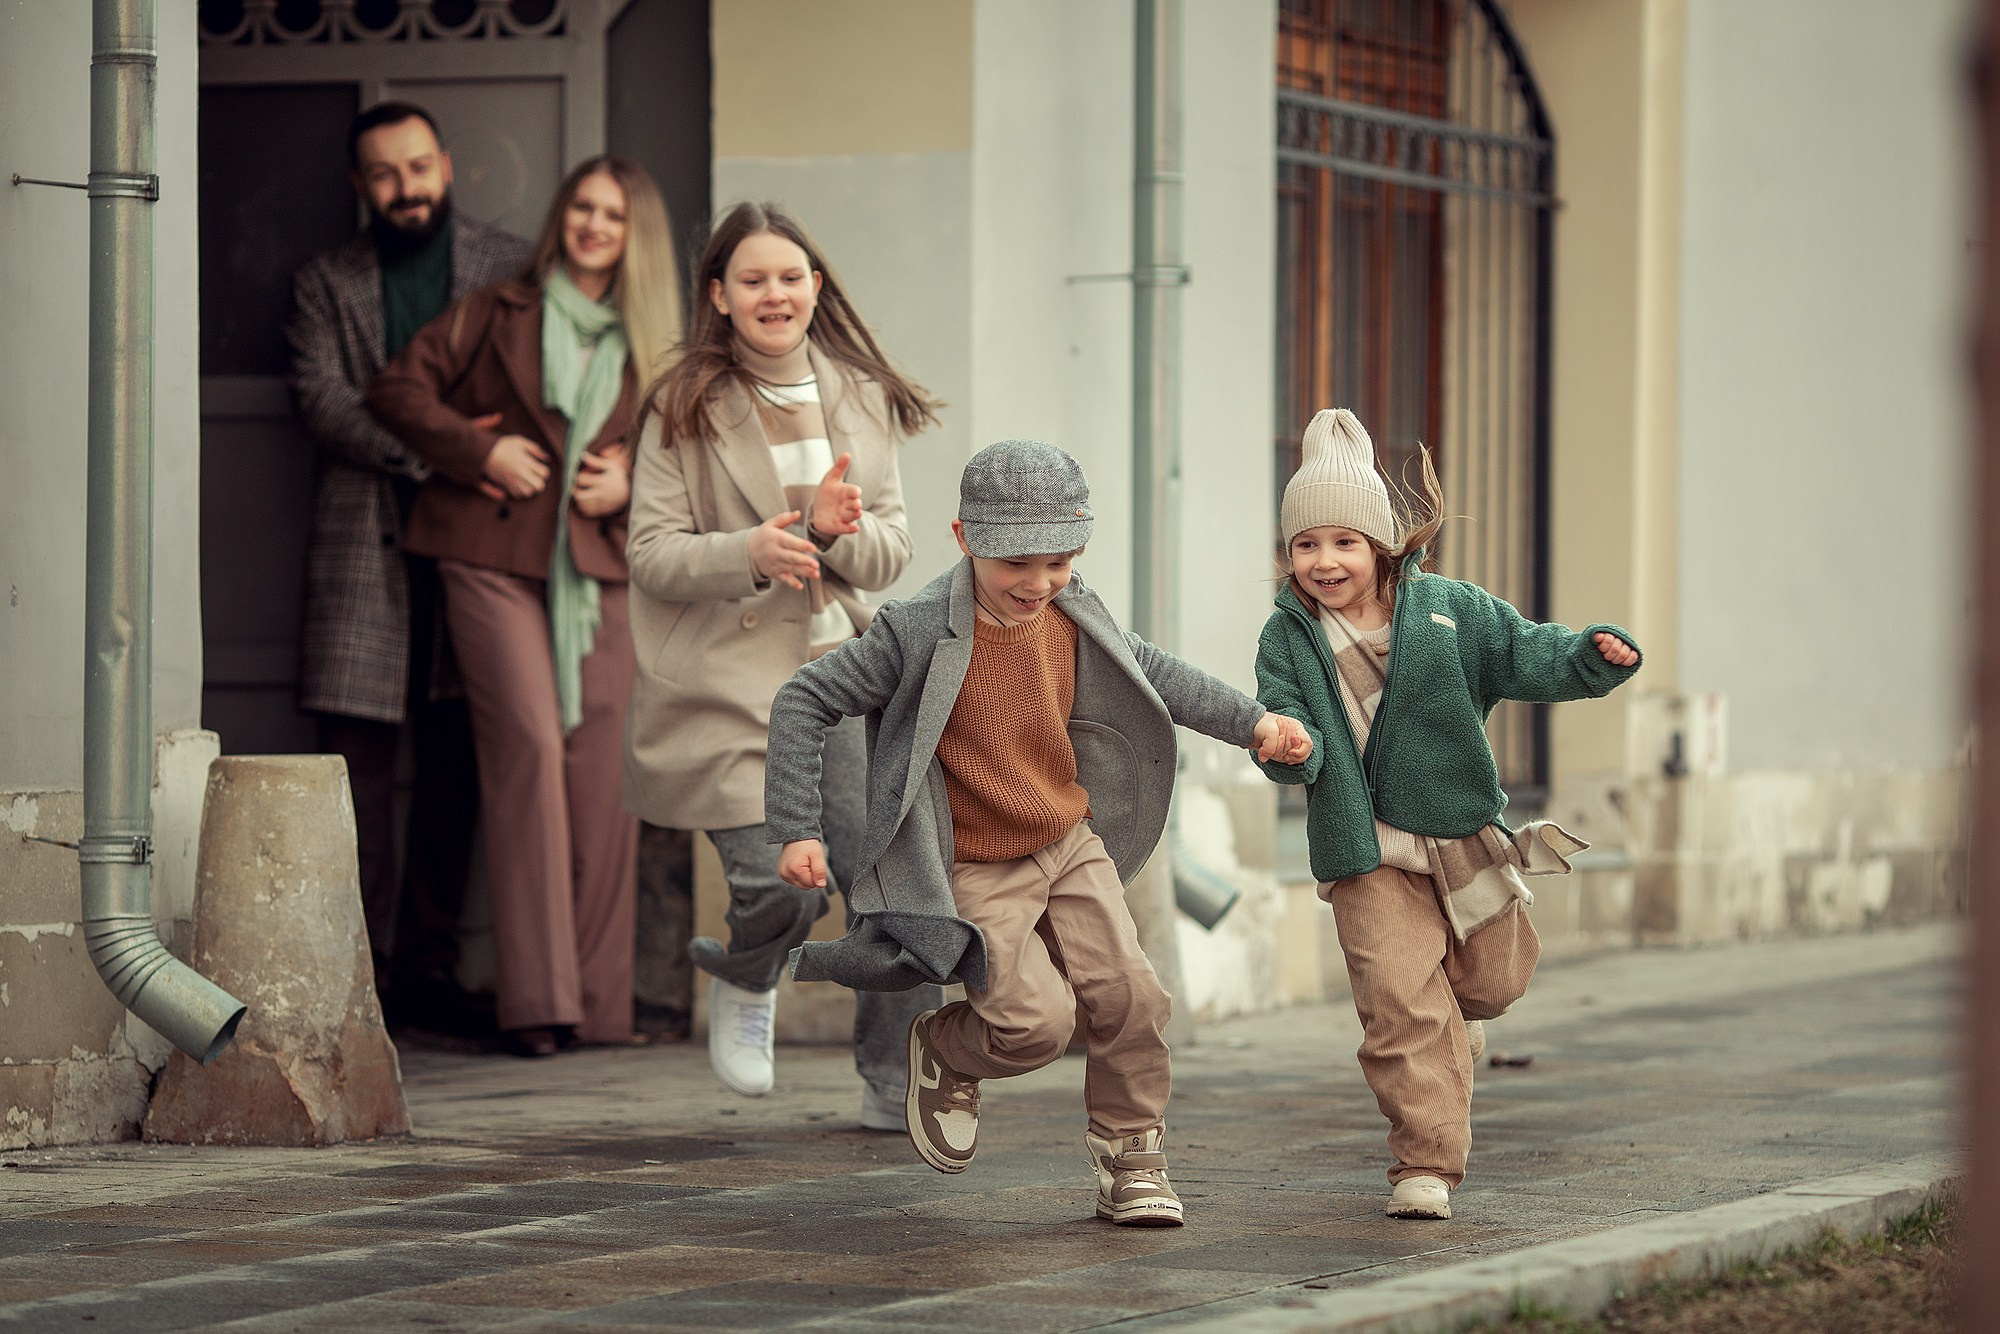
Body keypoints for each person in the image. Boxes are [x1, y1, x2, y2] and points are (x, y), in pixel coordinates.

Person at [764, 440, 1314, 1228]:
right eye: (1016, 563)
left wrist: (1254, 723)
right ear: (965, 539)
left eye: (1059, 560)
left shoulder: (1073, 610)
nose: (1039, 581)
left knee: (1131, 995)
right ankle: (947, 1047)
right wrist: (797, 828)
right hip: (976, 860)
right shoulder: (913, 632)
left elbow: (1156, 670)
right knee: (1036, 1026)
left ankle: (1132, 1159)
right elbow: (803, 700)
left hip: (1067, 839)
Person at [1254, 408, 1642, 1221]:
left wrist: (1588, 657)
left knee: (1493, 982)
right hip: (1365, 850)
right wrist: (1287, 746)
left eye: (1344, 541)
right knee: (1397, 1006)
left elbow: (1527, 652)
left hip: (1461, 831)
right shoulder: (1287, 637)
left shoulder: (1449, 610)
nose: (1324, 561)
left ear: (1381, 544)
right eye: (1306, 544)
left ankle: (1458, 1027)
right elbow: (1283, 715)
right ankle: (1425, 1164)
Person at [624, 201, 947, 1116]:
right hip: (727, 690)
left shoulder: (861, 395)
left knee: (896, 885)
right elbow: (649, 553)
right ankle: (749, 973)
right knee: (779, 886)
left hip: (841, 685)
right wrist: (750, 552)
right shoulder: (684, 403)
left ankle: (898, 1082)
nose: (776, 294)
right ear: (719, 295)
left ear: (815, 286)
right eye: (754, 279)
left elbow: (890, 552)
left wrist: (832, 533)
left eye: (791, 276)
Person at [366, 155, 680, 1057]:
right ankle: (538, 1004)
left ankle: (600, 1007)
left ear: (635, 235)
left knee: (604, 774)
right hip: (489, 555)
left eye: (612, 215)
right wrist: (479, 452)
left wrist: (633, 481)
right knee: (532, 749)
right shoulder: (497, 310)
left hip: (602, 564)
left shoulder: (661, 344)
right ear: (561, 216)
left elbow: (698, 456)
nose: (592, 226)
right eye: (581, 207)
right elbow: (394, 390)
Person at [287, 102, 533, 1027]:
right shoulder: (324, 280)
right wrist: (448, 452)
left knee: (455, 769)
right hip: (363, 548)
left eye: (419, 167)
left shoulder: (507, 264)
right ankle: (358, 978)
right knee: (354, 771)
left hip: (477, 548)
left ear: (446, 167)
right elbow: (323, 401)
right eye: (385, 174)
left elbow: (532, 393)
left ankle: (430, 971)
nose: (406, 188)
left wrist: (469, 459)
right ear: (361, 185)